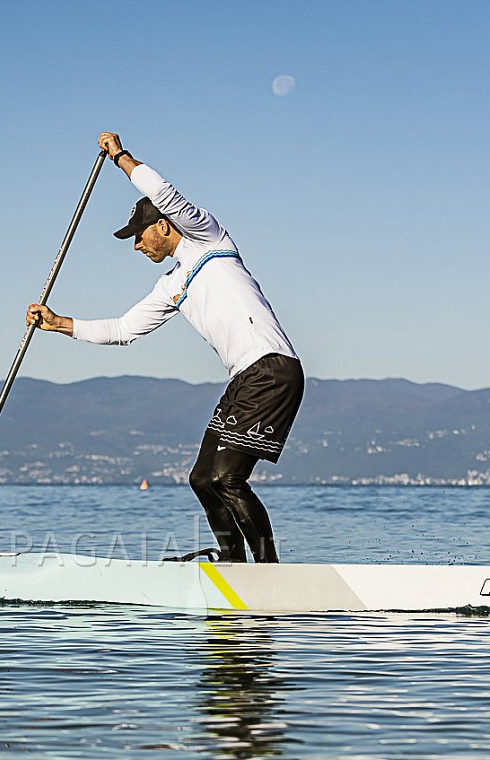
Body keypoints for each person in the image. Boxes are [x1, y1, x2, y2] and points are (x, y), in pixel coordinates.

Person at [26, 132, 304, 563]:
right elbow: (123, 328)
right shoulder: (173, 284)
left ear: (162, 225)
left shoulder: (209, 240)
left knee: (227, 479)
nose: (137, 245)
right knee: (201, 479)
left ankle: (269, 574)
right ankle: (233, 566)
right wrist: (59, 323)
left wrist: (120, 157)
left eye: (139, 235)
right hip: (244, 378)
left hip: (272, 370)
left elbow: (162, 191)